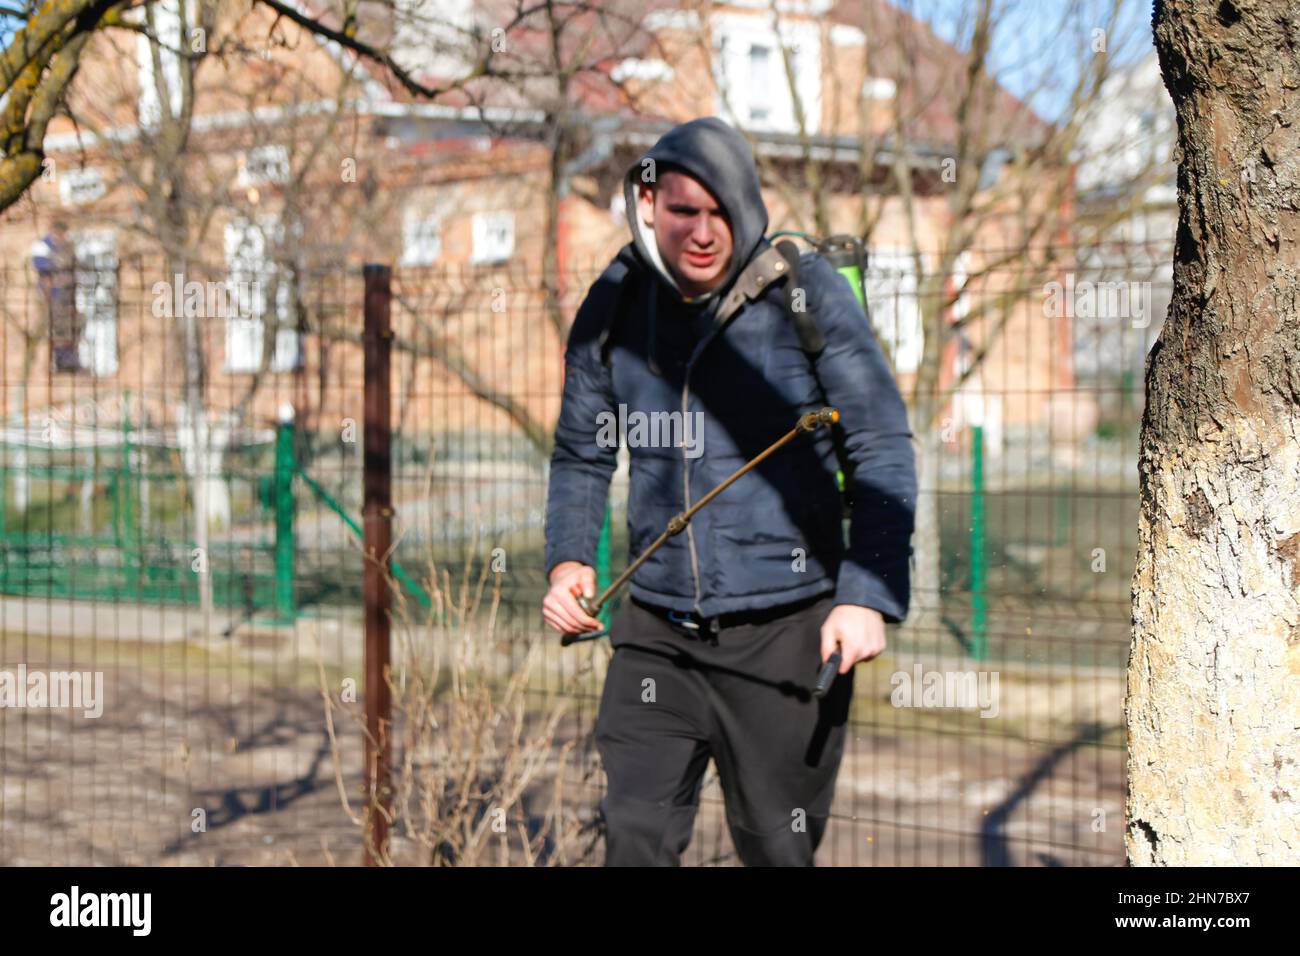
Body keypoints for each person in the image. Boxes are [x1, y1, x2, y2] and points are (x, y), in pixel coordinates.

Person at [542, 117, 916, 866]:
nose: (706, 232)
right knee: (636, 839)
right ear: (649, 204)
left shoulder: (800, 293)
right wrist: (567, 560)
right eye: (686, 212)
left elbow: (879, 442)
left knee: (778, 851)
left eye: (723, 213)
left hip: (786, 636)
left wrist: (866, 593)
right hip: (655, 632)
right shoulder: (615, 303)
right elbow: (584, 450)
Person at [31, 219, 85, 373]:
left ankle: (69, 359)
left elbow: (74, 267)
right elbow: (44, 270)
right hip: (53, 296)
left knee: (73, 327)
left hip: (68, 297)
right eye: (63, 234)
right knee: (58, 330)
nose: (64, 237)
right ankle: (61, 361)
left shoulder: (67, 247)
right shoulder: (43, 246)